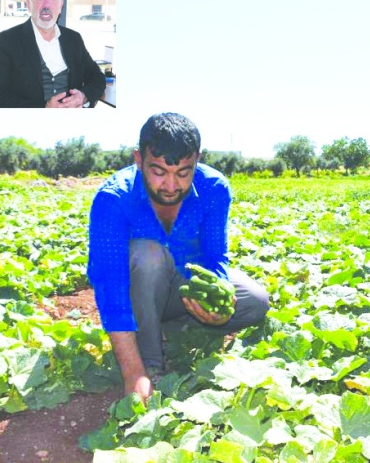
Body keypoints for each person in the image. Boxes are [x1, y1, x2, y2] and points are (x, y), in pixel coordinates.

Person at [87, 112, 270, 401]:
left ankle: (168, 328)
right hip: (136, 289)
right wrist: (133, 374)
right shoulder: (113, 199)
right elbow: (110, 286)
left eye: (183, 173)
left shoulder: (214, 188)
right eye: (158, 171)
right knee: (148, 255)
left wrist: (219, 293)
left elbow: (215, 255)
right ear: (138, 159)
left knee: (255, 302)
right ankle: (150, 362)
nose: (171, 185)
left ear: (197, 159)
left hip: (183, 287)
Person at [0, 0, 106, 108]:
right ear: (28, 5)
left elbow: (97, 78)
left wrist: (83, 97)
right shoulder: (8, 40)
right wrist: (43, 107)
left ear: (61, 5)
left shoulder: (73, 39)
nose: (46, 4)